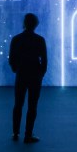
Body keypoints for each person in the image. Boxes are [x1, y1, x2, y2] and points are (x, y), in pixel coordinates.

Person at [8, 12, 47, 143]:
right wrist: (41, 74)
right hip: (35, 76)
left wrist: (16, 69)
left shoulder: (16, 39)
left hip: (21, 74)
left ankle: (15, 133)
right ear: (36, 24)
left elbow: (11, 58)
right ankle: (28, 134)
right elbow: (44, 60)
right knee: (32, 106)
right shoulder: (40, 40)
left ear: (24, 23)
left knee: (18, 104)